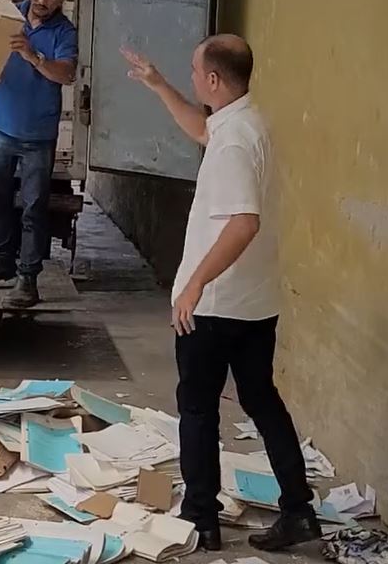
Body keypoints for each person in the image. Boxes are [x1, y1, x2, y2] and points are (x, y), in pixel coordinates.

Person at [122, 37, 319, 553]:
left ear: (213, 80)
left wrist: (194, 284)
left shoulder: (235, 141)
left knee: (198, 409)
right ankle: (299, 510)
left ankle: (202, 519)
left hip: (214, 308)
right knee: (261, 400)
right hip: (255, 302)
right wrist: (158, 84)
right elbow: (201, 129)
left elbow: (243, 223)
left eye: (192, 72)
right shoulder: (245, 122)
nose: (190, 77)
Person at [0, 0, 78, 309]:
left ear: (62, 0)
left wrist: (33, 55)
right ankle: (2, 263)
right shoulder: (9, 16)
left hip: (38, 135)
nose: (43, 0)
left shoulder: (64, 32)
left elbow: (67, 74)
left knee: (33, 207)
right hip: (0, 126)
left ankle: (28, 278)